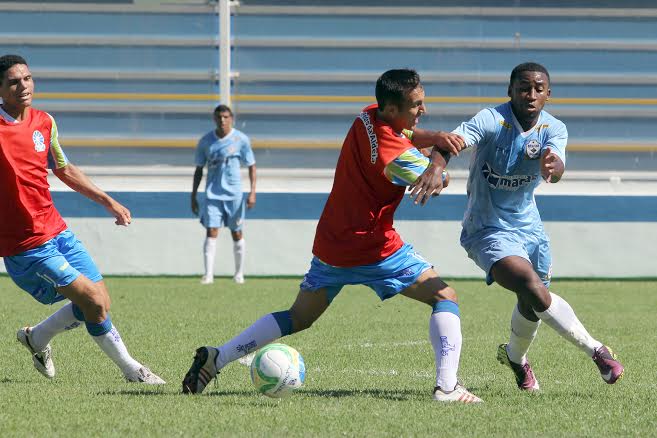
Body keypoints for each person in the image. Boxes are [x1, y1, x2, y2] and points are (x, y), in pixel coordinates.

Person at [182, 68, 482, 403]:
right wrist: (438, 163)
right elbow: (437, 181)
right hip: (375, 248)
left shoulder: (366, 116)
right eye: (416, 105)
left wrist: (435, 137)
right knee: (445, 297)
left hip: (333, 244)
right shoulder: (396, 158)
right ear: (394, 110)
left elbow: (408, 134)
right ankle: (447, 387)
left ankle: (216, 357)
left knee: (298, 317)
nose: (422, 111)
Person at [410, 62, 624, 391]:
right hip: (486, 228)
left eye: (539, 89)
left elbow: (558, 163)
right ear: (510, 91)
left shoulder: (554, 129)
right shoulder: (491, 120)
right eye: (524, 88)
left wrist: (555, 165)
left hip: (530, 229)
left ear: (548, 95)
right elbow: (451, 142)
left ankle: (515, 358)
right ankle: (597, 350)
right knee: (529, 283)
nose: (531, 94)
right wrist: (436, 166)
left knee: (532, 301)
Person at [0, 54, 164, 384]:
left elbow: (64, 168)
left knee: (98, 302)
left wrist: (108, 201)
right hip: (26, 245)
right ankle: (132, 370)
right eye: (14, 81)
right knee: (92, 301)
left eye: (28, 78)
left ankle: (37, 338)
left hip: (56, 229)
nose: (24, 86)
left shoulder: (44, 122)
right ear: (0, 89)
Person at [191, 104, 256, 285]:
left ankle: (239, 274)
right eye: (219, 117)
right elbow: (198, 169)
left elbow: (251, 166)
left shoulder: (241, 139)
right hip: (212, 194)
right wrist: (193, 195)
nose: (222, 120)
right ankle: (208, 275)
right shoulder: (206, 141)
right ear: (214, 119)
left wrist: (252, 192)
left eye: (226, 117)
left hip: (234, 194)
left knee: (237, 232)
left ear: (231, 119)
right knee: (211, 231)